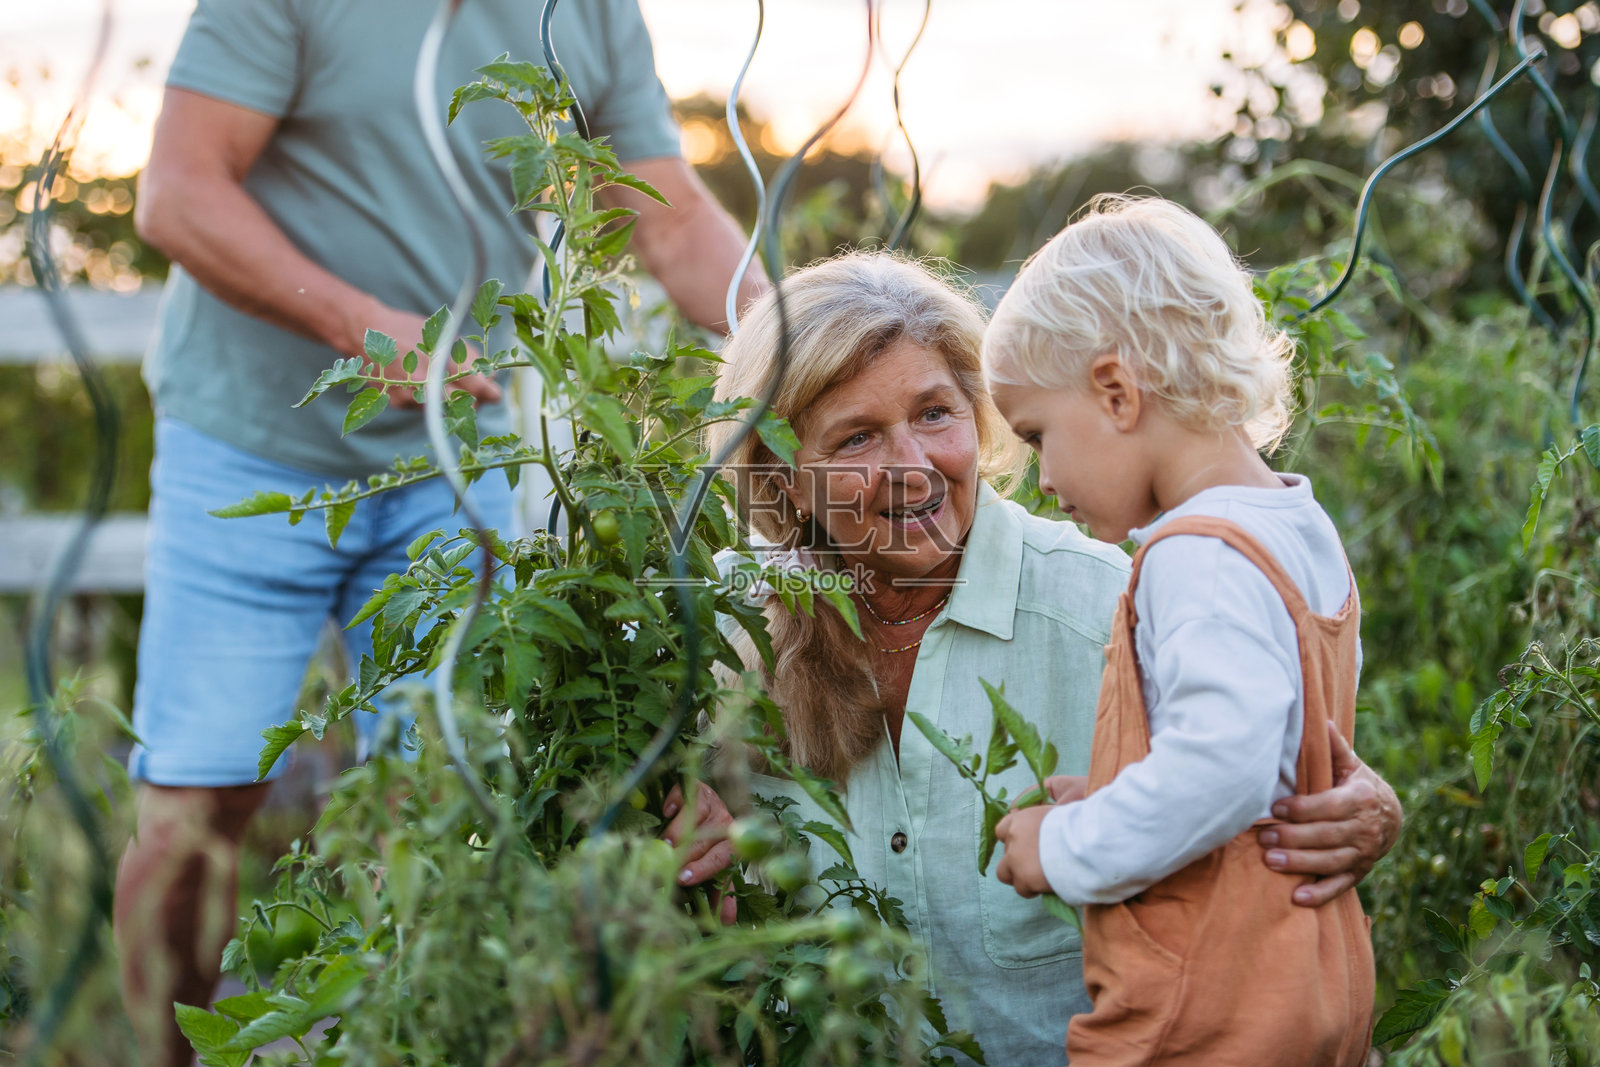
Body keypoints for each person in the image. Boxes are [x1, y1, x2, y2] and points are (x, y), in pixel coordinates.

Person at [115, 2, 764, 1064]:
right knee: (196, 803)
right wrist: (366, 328)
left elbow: (671, 216)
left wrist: (799, 339)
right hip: (244, 441)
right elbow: (179, 193)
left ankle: (405, 1039)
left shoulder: (589, 11)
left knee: (447, 802)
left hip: (455, 459)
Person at [666, 250, 1398, 1065]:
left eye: (936, 413)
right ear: (786, 479)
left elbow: (1249, 762)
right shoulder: (713, 626)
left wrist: (1358, 803)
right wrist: (652, 808)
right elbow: (557, 757)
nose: (915, 466)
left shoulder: (1109, 607)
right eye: (858, 437)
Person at [987, 196, 1375, 1064]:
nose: (1042, 476)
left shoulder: (1193, 555)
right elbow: (1270, 751)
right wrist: (1125, 791)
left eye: (1038, 435)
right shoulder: (1295, 525)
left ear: (1117, 392)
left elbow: (1223, 765)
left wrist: (1065, 843)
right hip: (1308, 981)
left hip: (1205, 1013)